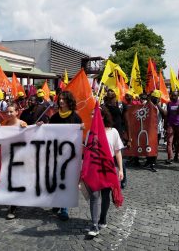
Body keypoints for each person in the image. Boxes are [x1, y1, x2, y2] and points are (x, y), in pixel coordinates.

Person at [87, 106, 124, 237]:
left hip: (108, 168)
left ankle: (103, 218)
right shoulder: (90, 133)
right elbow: (88, 153)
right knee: (94, 196)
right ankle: (94, 224)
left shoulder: (113, 132)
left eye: (94, 114)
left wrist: (120, 169)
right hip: (94, 169)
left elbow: (118, 152)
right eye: (91, 115)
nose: (91, 117)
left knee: (105, 196)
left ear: (102, 116)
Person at [49, 91, 82, 221]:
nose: (61, 101)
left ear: (69, 101)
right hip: (56, 153)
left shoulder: (76, 118)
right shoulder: (55, 117)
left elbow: (79, 137)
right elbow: (48, 133)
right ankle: (58, 202)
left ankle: (64, 208)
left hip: (70, 155)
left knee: (67, 180)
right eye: (60, 99)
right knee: (57, 180)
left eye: (63, 99)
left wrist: (81, 129)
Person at [1, 103, 27, 220]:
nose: (9, 114)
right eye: (7, 112)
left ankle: (13, 207)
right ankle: (11, 203)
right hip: (6, 156)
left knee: (14, 181)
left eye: (11, 112)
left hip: (18, 158)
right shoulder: (4, 124)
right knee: (7, 181)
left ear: (17, 112)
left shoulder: (22, 123)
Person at [144, 90, 166, 172]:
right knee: (147, 145)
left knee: (155, 147)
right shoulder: (148, 104)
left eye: (156, 98)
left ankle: (153, 162)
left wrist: (158, 105)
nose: (155, 99)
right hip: (148, 129)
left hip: (157, 130)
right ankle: (148, 161)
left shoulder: (162, 105)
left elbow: (165, 114)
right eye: (153, 97)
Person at [165, 91, 179, 163]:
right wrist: (165, 124)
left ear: (177, 96)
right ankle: (170, 157)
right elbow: (167, 114)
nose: (173, 97)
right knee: (169, 141)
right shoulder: (169, 104)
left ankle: (177, 155)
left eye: (175, 95)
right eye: (172, 95)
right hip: (170, 125)